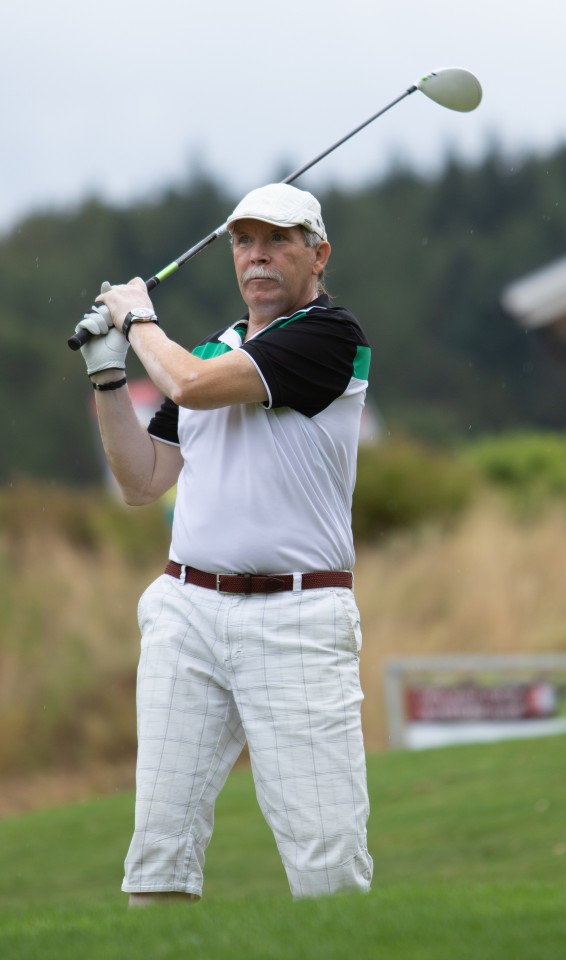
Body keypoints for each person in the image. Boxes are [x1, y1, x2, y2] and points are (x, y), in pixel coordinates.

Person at [75, 183, 373, 905]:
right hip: (187, 612)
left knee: (328, 863)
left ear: (319, 255)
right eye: (244, 241)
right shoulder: (212, 348)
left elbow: (192, 384)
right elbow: (143, 480)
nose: (258, 255)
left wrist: (137, 318)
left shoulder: (331, 336)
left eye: (279, 240)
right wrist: (108, 375)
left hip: (297, 619)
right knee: (158, 852)